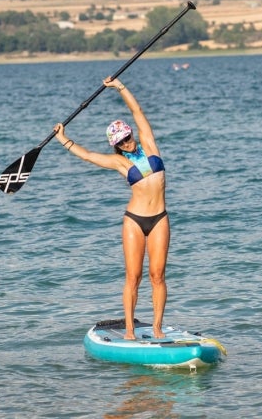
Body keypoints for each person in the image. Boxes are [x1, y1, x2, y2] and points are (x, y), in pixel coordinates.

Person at [53, 76, 169, 340]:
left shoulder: (149, 144)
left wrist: (120, 87)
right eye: (122, 142)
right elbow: (88, 156)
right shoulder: (120, 163)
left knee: (158, 275)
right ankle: (129, 330)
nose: (128, 143)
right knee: (134, 276)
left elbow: (137, 112)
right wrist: (63, 139)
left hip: (160, 218)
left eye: (128, 137)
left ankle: (157, 327)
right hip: (135, 220)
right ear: (116, 146)